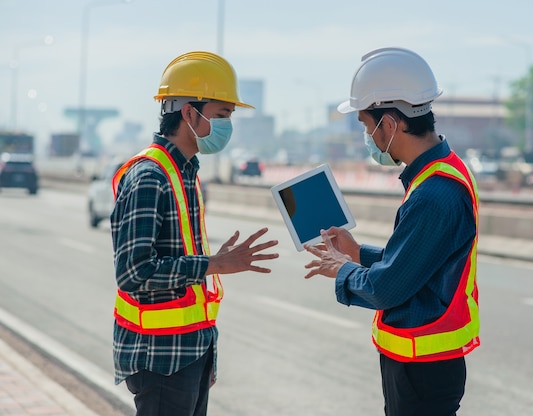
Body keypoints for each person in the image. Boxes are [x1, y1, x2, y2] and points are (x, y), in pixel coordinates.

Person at [303, 47, 480, 416]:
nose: (368, 136)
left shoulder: (434, 194)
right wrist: (357, 252)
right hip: (424, 362)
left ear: (390, 124)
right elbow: (416, 263)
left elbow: (387, 288)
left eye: (367, 126)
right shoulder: (441, 173)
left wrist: (342, 268)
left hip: (423, 366)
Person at [110, 51, 279, 416]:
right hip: (159, 359)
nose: (227, 127)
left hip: (189, 353)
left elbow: (178, 259)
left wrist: (205, 353)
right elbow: (133, 273)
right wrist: (213, 263)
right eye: (222, 116)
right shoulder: (149, 177)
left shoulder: (186, 172)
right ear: (189, 112)